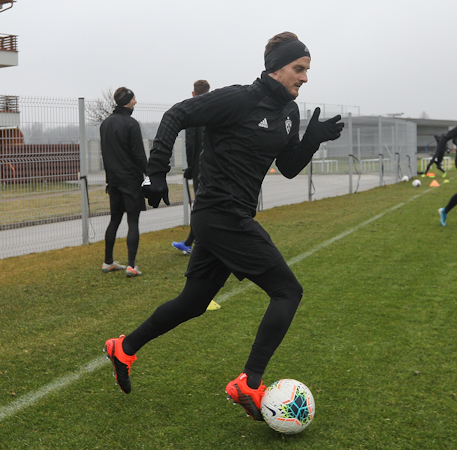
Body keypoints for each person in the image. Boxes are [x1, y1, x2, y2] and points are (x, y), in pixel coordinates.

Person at [103, 32, 344, 421]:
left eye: (307, 70)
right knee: (287, 291)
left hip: (232, 216)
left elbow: (286, 167)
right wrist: (157, 172)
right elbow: (176, 114)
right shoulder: (240, 99)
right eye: (299, 69)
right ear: (276, 67)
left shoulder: (289, 113)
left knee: (193, 303)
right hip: (220, 213)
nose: (304, 77)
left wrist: (312, 140)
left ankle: (124, 348)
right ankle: (249, 382)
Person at [100, 87, 147, 277]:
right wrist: (150, 174)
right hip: (131, 180)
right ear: (127, 101)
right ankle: (131, 265)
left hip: (113, 181)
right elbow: (139, 154)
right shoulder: (131, 124)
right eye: (134, 98)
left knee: (115, 219)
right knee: (133, 220)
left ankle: (108, 261)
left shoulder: (105, 124)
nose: (136, 101)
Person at [171, 79, 210, 255]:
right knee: (208, 203)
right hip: (215, 164)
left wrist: (190, 167)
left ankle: (193, 242)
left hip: (200, 166)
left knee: (200, 204)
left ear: (193, 94)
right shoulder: (217, 109)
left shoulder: (193, 113)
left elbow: (191, 143)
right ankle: (192, 241)